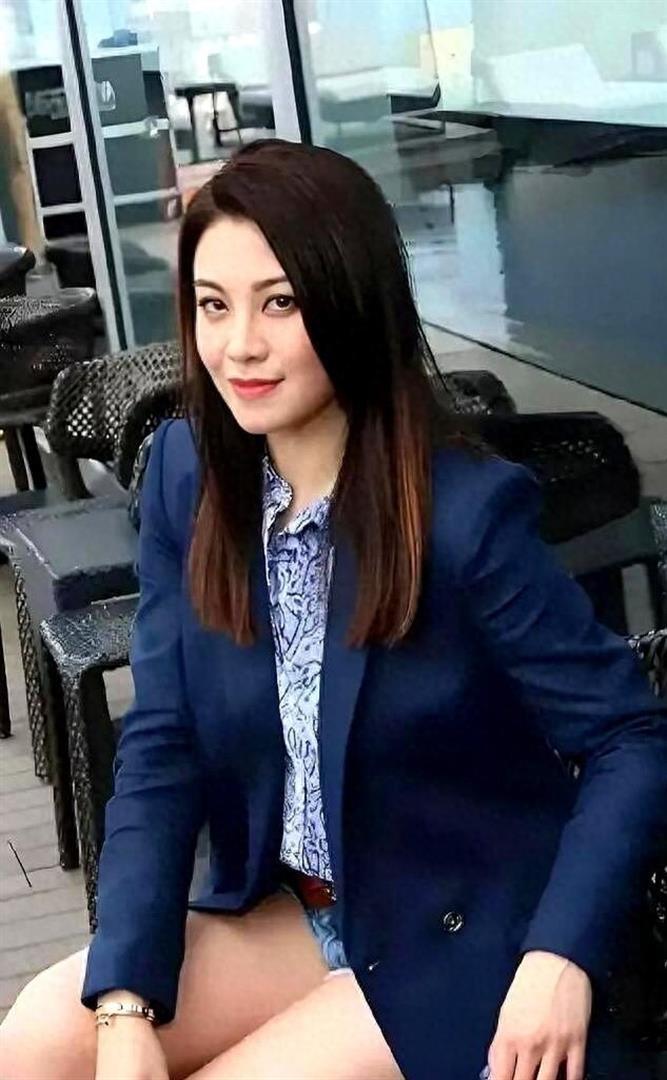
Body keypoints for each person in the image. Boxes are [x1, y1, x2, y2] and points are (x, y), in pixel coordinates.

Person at [1, 139, 665, 1080]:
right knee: (36, 1039)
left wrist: (558, 958)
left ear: (351, 304)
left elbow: (630, 736)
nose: (239, 345)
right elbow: (161, 742)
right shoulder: (190, 478)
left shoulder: (463, 514)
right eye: (212, 305)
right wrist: (124, 1003)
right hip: (303, 908)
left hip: (458, 925)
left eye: (279, 303)